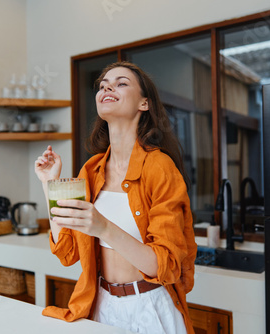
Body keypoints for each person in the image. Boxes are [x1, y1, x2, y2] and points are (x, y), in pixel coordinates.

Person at [34, 61, 197, 334]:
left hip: (149, 308)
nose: (108, 87)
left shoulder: (159, 167)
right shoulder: (92, 169)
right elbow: (68, 252)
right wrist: (49, 184)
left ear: (143, 103)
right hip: (101, 306)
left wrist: (103, 227)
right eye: (103, 85)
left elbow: (166, 266)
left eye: (121, 83)